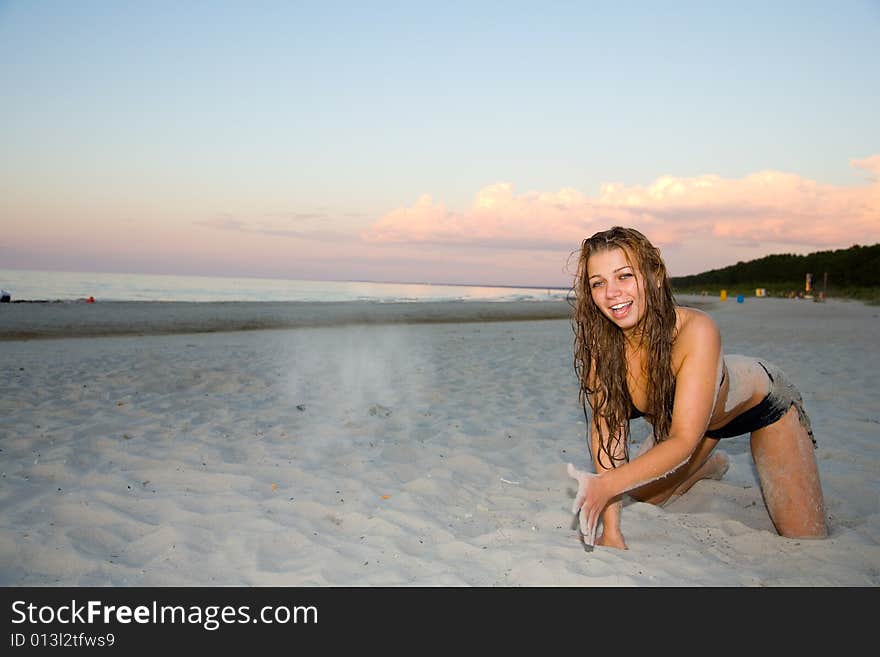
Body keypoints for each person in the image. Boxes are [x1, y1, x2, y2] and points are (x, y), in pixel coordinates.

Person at [566, 227, 826, 549]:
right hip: (695, 422)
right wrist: (612, 529)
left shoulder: (696, 330)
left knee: (805, 536)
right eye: (598, 283)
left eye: (624, 276)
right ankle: (706, 466)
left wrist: (605, 485)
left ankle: (702, 457)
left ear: (655, 275)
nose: (612, 293)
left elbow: (683, 439)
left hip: (762, 405)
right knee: (642, 493)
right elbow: (608, 431)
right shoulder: (601, 344)